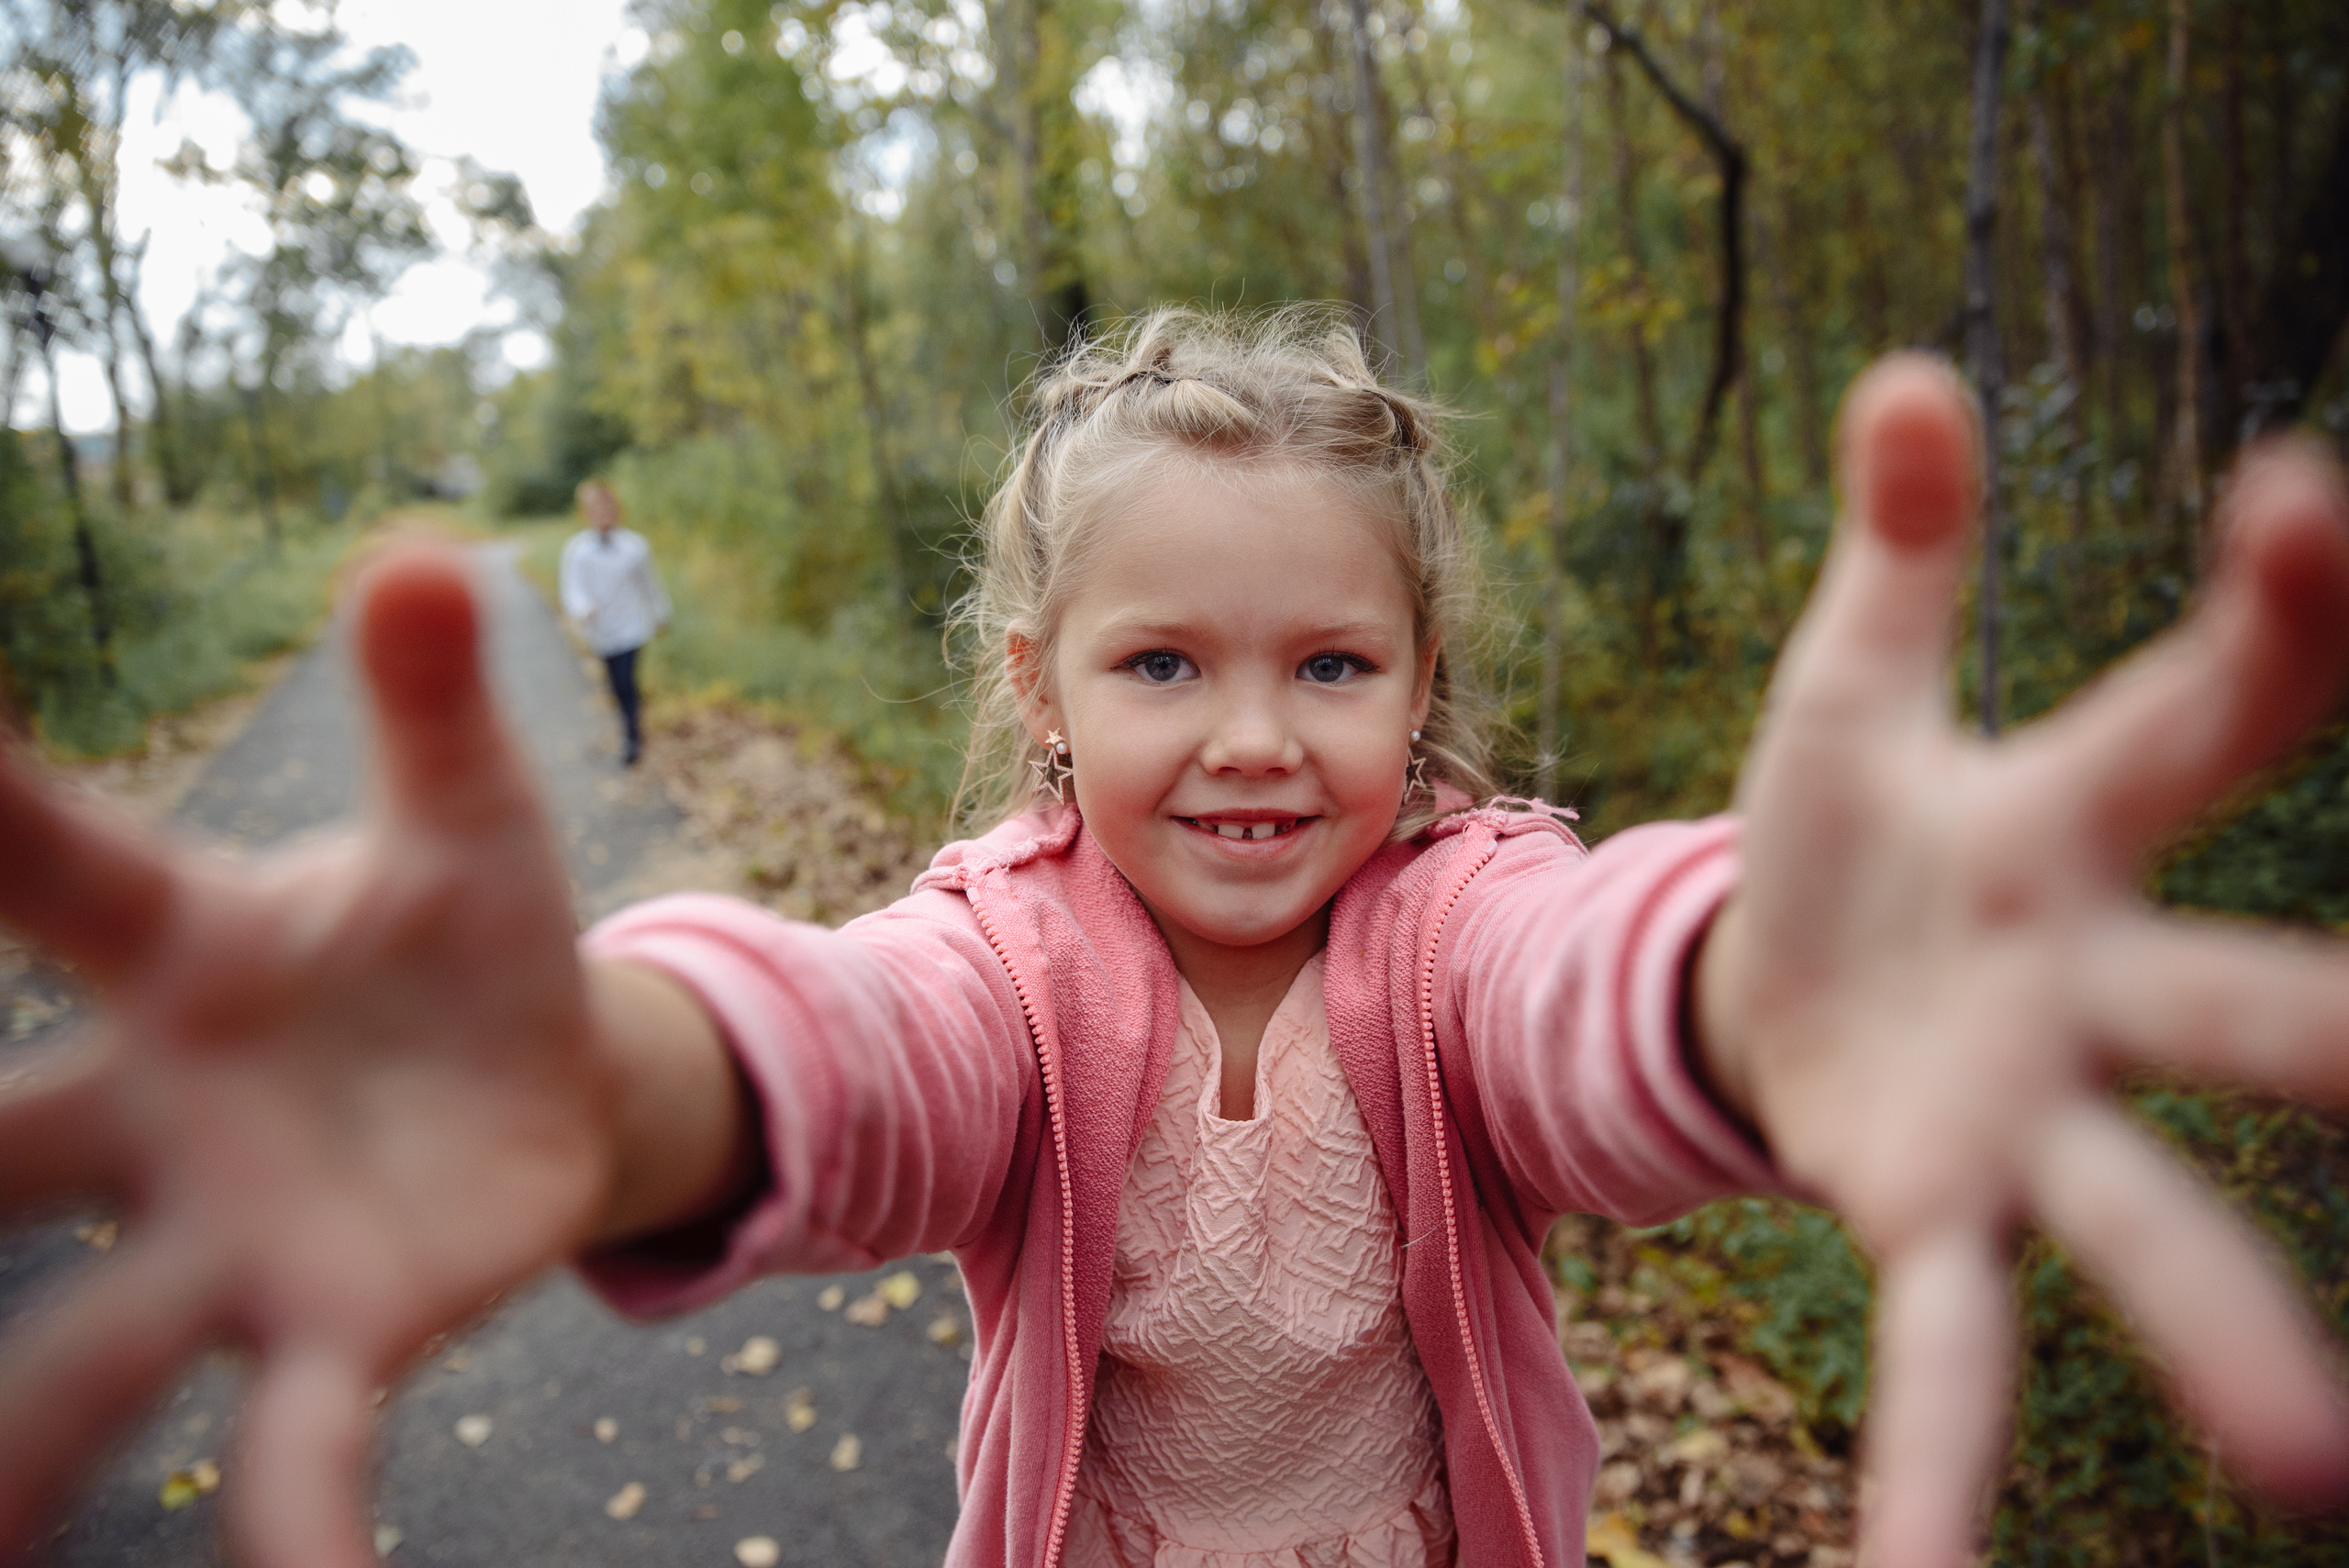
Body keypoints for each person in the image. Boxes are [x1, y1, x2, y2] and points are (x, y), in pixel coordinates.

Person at [4, 306, 2349, 1568]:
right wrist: (603, 1082)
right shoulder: (1005, 956)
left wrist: (1752, 985)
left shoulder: (1458, 922)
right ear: (1038, 686)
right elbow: (854, 1052)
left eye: (1331, 666)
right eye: (1160, 666)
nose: (1253, 739)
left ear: (1423, 685)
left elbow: (1575, 1009)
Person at [558, 478, 670, 766]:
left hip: (631, 627)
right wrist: (582, 608)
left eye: (607, 507)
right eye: (596, 508)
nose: (603, 513)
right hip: (600, 630)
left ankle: (633, 736)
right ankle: (627, 720)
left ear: (617, 510)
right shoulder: (577, 550)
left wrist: (661, 613)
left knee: (626, 679)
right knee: (615, 683)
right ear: (586, 513)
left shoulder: (635, 546)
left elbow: (650, 584)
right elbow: (572, 588)